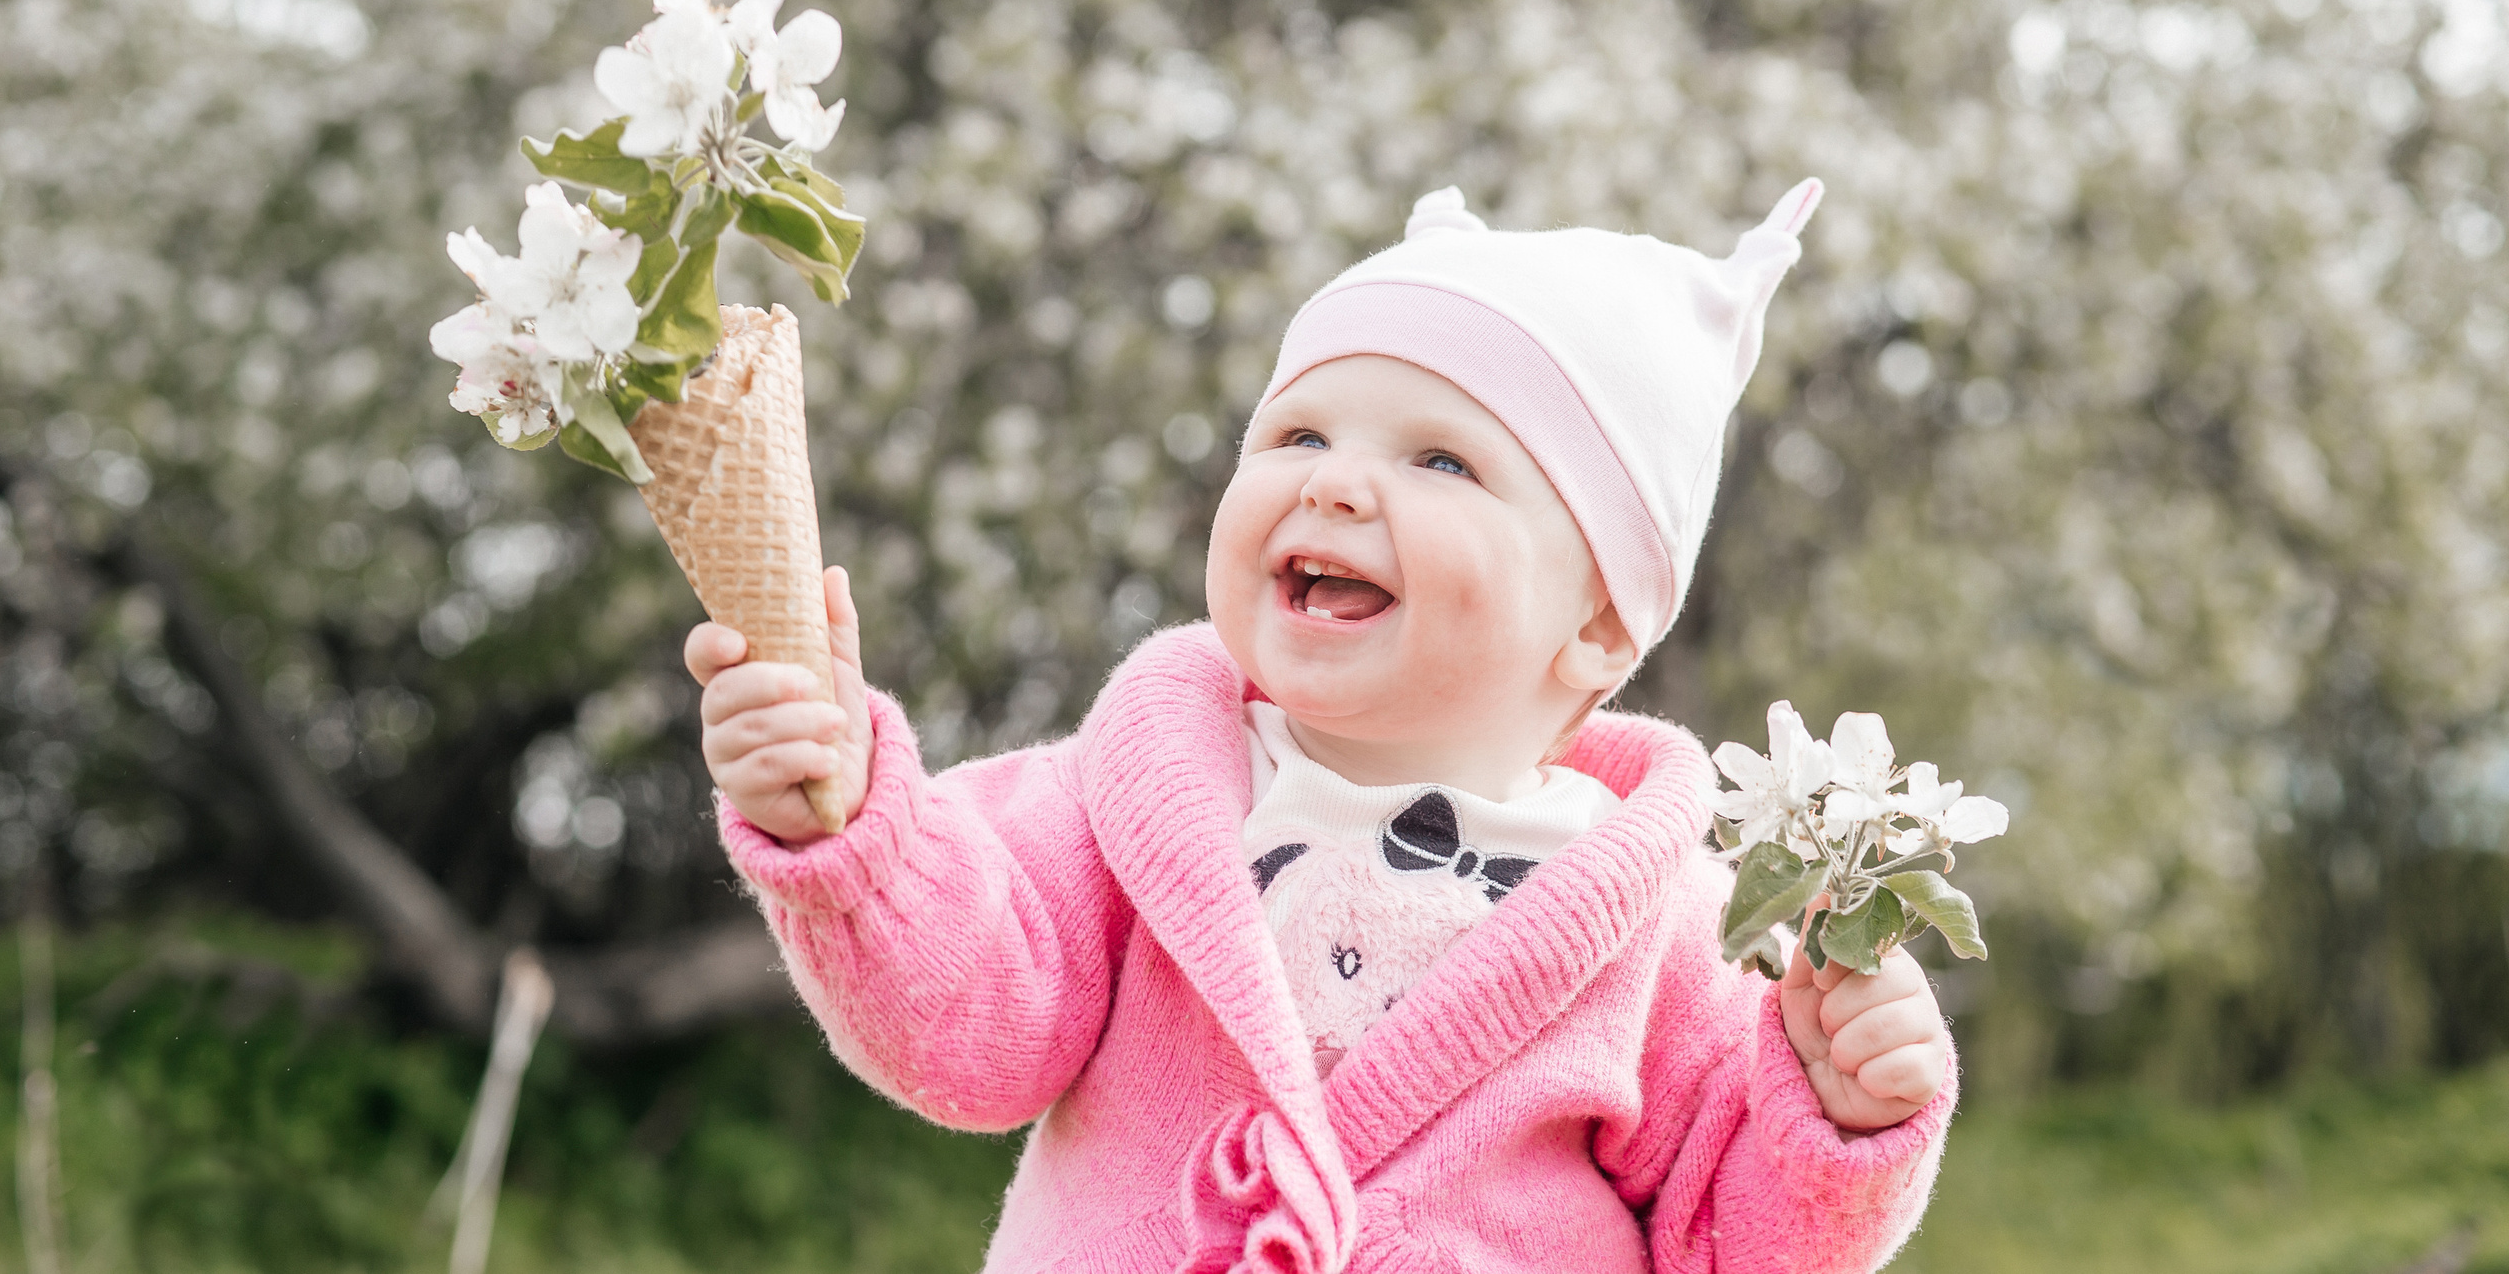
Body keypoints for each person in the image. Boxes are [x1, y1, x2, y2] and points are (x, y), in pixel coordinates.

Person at [687, 179, 1954, 1273]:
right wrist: (855, 831)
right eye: (1297, 431)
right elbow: (971, 1032)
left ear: (1601, 631)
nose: (1334, 479)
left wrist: (1838, 1126)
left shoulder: (1665, 918)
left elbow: (1727, 1240)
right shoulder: (1136, 792)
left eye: (1442, 462)